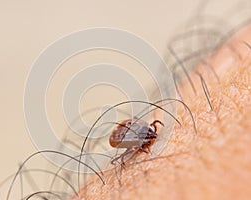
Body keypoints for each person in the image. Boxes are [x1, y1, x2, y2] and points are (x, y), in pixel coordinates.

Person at [72, 24, 251, 200]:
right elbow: (135, 144)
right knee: (128, 150)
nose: (153, 135)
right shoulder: (138, 139)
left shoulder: (142, 131)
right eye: (150, 136)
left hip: (129, 133)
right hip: (124, 137)